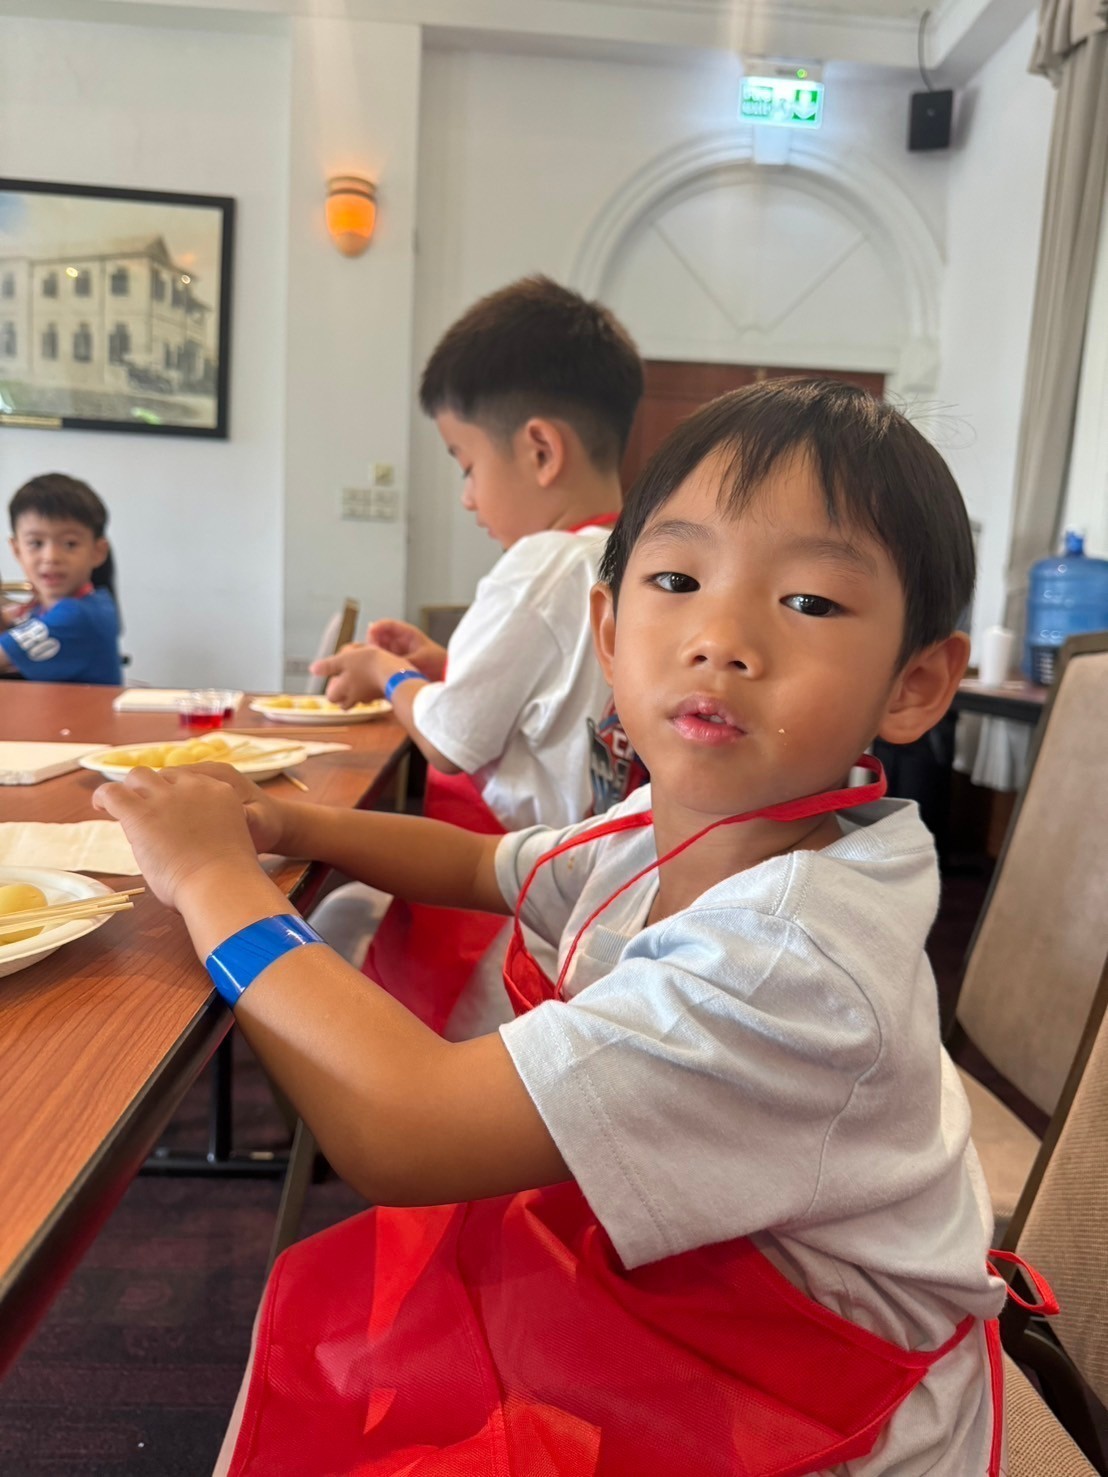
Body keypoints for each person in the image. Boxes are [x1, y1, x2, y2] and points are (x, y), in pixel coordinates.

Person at [95, 380, 1029, 1476]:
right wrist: (282, 822)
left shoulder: (791, 954)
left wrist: (210, 876)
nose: (721, 639)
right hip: (700, 1291)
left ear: (914, 684)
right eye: (677, 581)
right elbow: (483, 863)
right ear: (610, 631)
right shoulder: (672, 820)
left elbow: (403, 1126)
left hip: (823, 1410)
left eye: (810, 602)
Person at [309, 276, 644, 1035]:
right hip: (576, 904)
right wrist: (439, 665)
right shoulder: (630, 559)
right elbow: (543, 704)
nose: (466, 496)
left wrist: (385, 674)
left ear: (540, 450)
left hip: (497, 922)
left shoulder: (540, 562)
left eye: (465, 463)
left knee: (312, 949)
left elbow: (450, 740)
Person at [0, 473, 122, 685]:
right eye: (36, 543)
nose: (51, 557)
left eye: (70, 544)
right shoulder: (48, 607)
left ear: (98, 551)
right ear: (17, 550)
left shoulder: (77, 616)